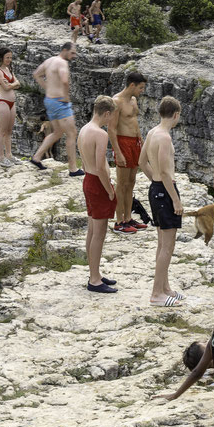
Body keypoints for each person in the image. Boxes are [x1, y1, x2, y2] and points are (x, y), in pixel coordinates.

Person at [139, 96, 186, 307]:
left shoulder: (151, 133)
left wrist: (154, 181)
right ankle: (157, 293)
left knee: (162, 243)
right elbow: (167, 172)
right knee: (167, 246)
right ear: (175, 115)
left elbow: (142, 162)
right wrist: (175, 200)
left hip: (155, 189)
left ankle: (165, 287)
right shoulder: (165, 137)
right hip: (165, 191)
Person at [78, 95, 119, 293]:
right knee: (99, 234)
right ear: (107, 113)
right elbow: (101, 166)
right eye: (112, 117)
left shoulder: (84, 130)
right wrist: (110, 190)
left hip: (88, 180)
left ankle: (94, 272)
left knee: (92, 231)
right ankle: (94, 280)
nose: (111, 121)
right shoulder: (100, 134)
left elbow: (85, 163)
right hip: (98, 183)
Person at [30, 42, 82, 176]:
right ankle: (73, 168)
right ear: (64, 50)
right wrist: (65, 96)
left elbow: (36, 74)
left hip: (49, 100)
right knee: (72, 133)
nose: (73, 56)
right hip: (60, 102)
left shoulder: (49, 61)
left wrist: (47, 88)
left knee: (57, 132)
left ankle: (36, 157)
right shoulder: (62, 63)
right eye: (72, 53)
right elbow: (65, 81)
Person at [109, 71, 148, 234]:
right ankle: (119, 221)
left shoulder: (133, 100)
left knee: (131, 182)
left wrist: (142, 142)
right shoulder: (116, 101)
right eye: (140, 87)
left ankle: (128, 217)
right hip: (123, 142)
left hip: (135, 143)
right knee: (122, 183)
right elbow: (111, 129)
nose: (142, 91)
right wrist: (119, 152)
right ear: (132, 85)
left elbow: (134, 122)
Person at [0, 47, 21, 167]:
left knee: (9, 131)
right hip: (3, 102)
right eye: (7, 57)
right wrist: (13, 84)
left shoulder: (9, 69)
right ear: (1, 57)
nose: (9, 59)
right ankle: (1, 157)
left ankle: (9, 155)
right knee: (2, 131)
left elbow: (18, 84)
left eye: (10, 57)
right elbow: (6, 88)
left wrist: (12, 84)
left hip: (11, 103)